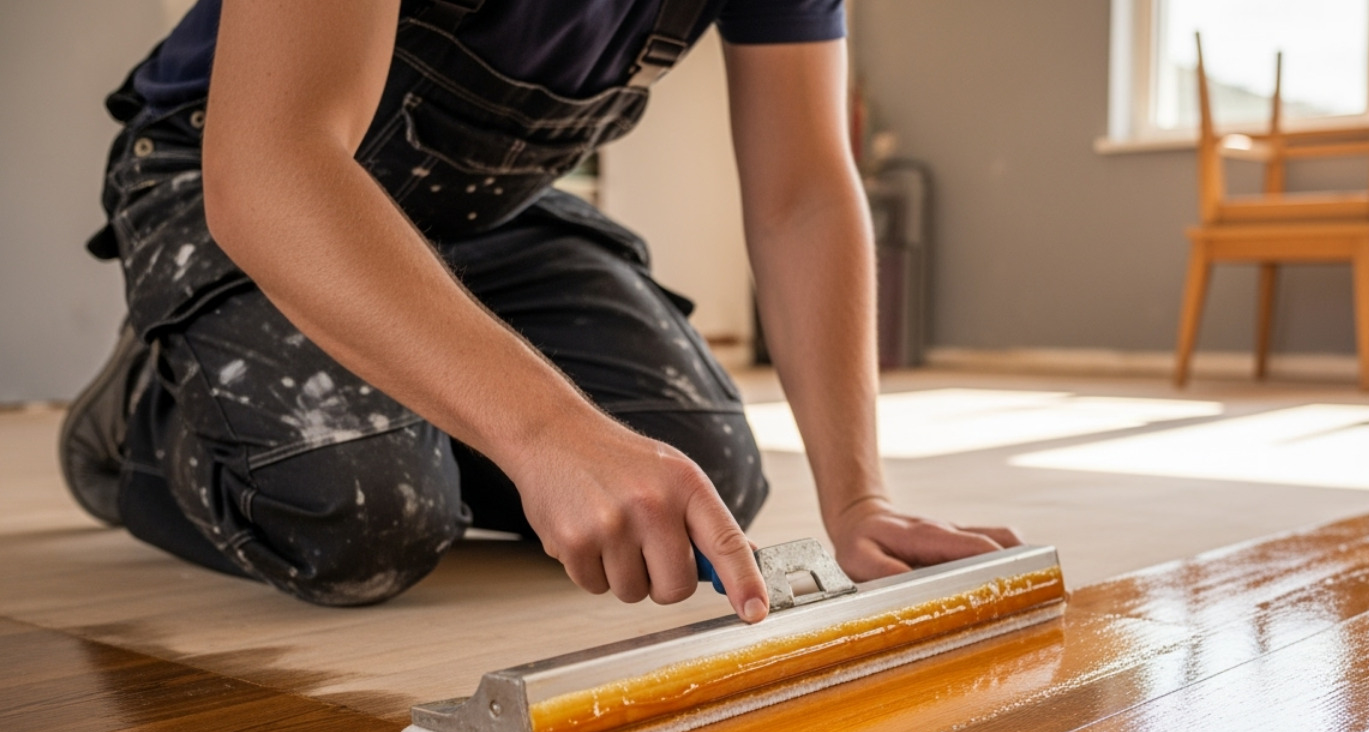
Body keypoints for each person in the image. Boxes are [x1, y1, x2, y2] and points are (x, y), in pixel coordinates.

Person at [62, 0, 1020, 622]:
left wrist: (859, 498)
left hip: (470, 214)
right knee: (367, 511)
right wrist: (548, 430)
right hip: (233, 178)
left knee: (703, 471)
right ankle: (142, 417)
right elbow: (272, 164)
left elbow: (802, 192)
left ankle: (409, 409)